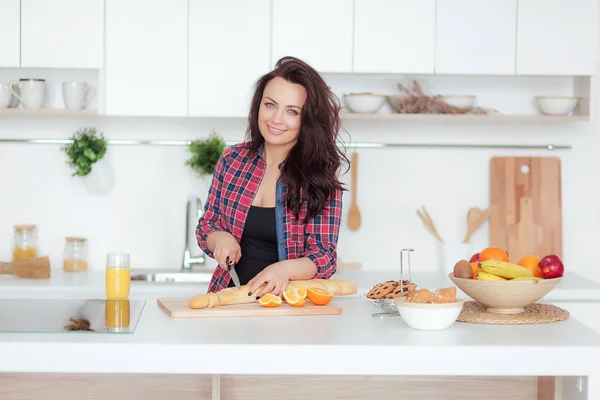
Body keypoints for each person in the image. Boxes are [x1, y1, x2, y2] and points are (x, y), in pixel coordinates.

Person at [196, 56, 348, 299]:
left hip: (287, 309)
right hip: (227, 301)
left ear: (306, 119)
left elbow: (324, 256)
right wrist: (219, 238)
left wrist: (284, 269)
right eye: (270, 105)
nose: (276, 119)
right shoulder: (233, 160)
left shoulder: (320, 175)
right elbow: (208, 224)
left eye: (292, 111)